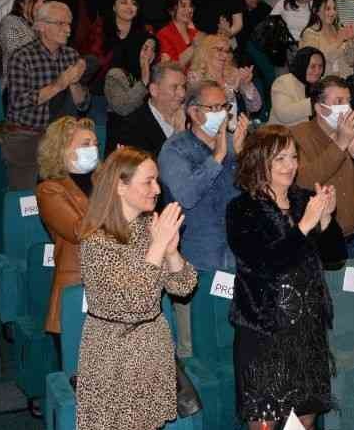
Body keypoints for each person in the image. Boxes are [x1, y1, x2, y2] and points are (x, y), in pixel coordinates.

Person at [74, 148, 196, 430]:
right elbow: (127, 302)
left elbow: (182, 287)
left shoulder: (152, 229)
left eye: (156, 181)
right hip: (110, 355)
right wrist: (158, 247)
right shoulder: (95, 239)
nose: (157, 189)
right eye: (147, 182)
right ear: (120, 186)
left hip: (150, 351)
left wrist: (173, 252)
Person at [225, 126, 339, 430]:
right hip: (264, 332)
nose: (290, 165)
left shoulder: (304, 199)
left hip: (306, 331)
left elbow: (334, 256)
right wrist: (304, 227)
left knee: (305, 425)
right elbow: (266, 264)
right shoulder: (242, 209)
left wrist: (327, 219)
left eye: (293, 157)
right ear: (260, 162)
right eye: (280, 158)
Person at [159, 80, 249, 271]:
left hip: (237, 254)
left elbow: (252, 196)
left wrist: (243, 157)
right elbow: (187, 196)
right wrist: (217, 157)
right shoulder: (175, 150)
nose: (222, 113)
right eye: (214, 107)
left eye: (224, 106)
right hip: (197, 260)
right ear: (193, 112)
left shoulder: (235, 144)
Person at [2, 1, 89, 189]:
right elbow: (18, 103)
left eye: (69, 24)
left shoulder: (71, 55)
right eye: (61, 24)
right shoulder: (22, 57)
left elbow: (83, 104)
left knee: (63, 196)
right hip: (27, 136)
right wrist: (60, 84)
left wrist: (73, 81)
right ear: (41, 26)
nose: (68, 30)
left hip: (59, 139)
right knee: (26, 202)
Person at [291, 77, 354, 240]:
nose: (346, 108)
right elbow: (304, 181)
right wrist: (340, 143)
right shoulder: (298, 135)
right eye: (339, 101)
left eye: (348, 101)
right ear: (320, 109)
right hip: (321, 238)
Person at [35, 117, 98, 343]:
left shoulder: (102, 181)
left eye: (95, 144)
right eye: (85, 144)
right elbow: (79, 232)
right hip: (77, 287)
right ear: (61, 149)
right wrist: (113, 193)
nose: (93, 149)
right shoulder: (49, 190)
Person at [108, 59, 185, 158]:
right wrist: (178, 134)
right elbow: (152, 167)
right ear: (154, 90)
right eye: (175, 87)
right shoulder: (132, 126)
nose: (182, 93)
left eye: (183, 87)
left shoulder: (188, 117)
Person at [300, 0, 354, 78]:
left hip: (345, 79)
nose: (333, 12)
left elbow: (352, 61)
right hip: (324, 82)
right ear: (316, 11)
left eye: (334, 9)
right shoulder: (310, 33)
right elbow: (316, 61)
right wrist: (338, 42)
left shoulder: (338, 29)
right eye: (328, 9)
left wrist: (350, 40)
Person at [271, 46, 325, 126]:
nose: (317, 71)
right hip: (283, 135)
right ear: (302, 65)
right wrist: (312, 103)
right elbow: (283, 114)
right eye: (313, 66)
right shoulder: (283, 82)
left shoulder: (320, 86)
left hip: (309, 135)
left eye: (320, 66)